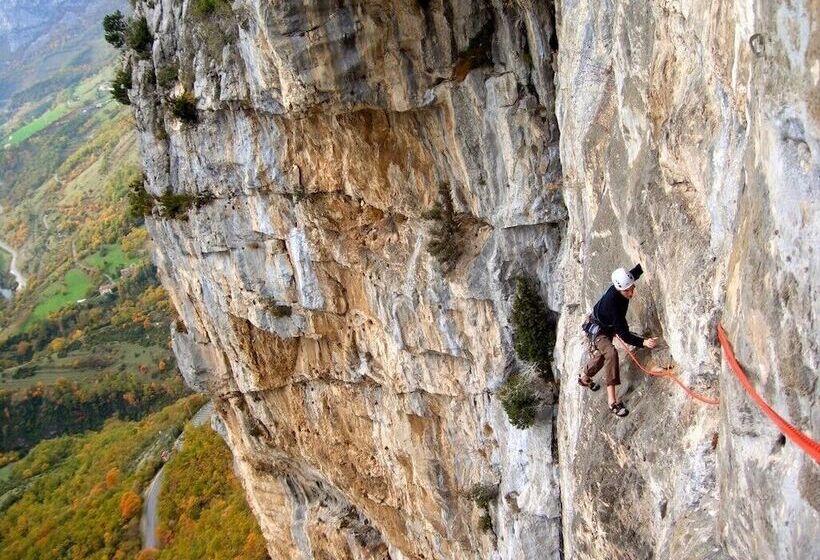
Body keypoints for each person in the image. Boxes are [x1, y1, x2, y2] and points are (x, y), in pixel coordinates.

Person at [579, 264, 658, 417]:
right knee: (610, 353)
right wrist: (643, 342)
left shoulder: (624, 281)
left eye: (632, 288)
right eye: (627, 290)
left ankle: (584, 377)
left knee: (602, 357)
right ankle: (612, 402)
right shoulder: (613, 305)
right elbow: (624, 334)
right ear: (620, 289)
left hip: (606, 325)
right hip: (598, 329)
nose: (631, 292)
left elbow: (636, 271)